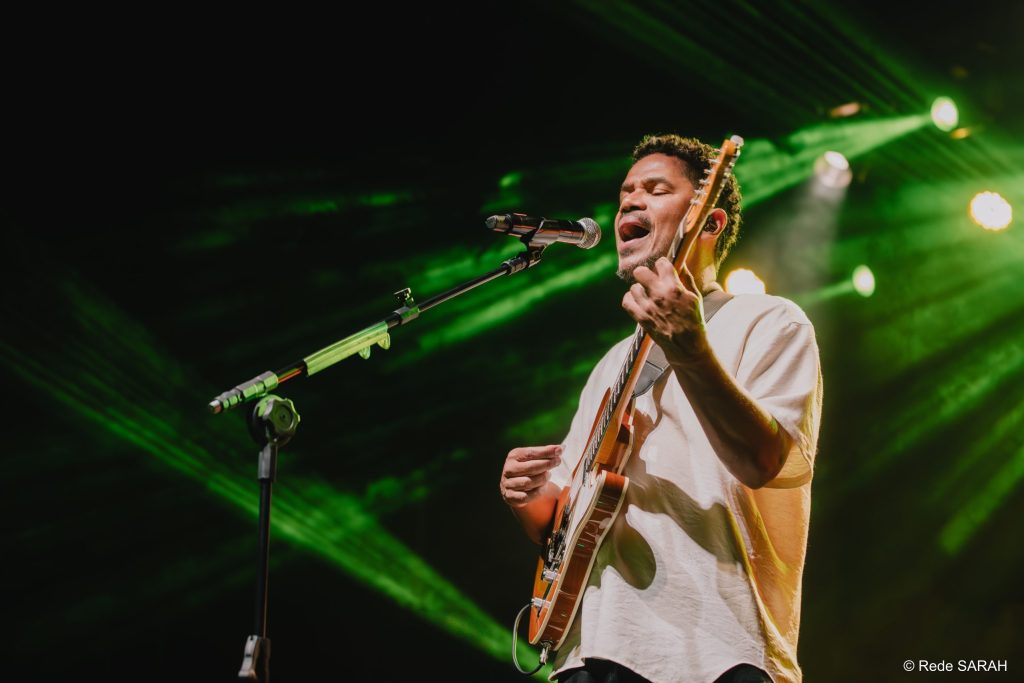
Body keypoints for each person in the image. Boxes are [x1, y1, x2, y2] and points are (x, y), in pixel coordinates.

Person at [499, 134, 823, 683]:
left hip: (718, 650)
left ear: (710, 222)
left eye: (654, 190)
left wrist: (690, 347)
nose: (628, 202)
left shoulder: (770, 321)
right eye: (625, 192)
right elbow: (572, 519)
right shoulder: (610, 364)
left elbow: (764, 460)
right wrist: (528, 500)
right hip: (590, 649)